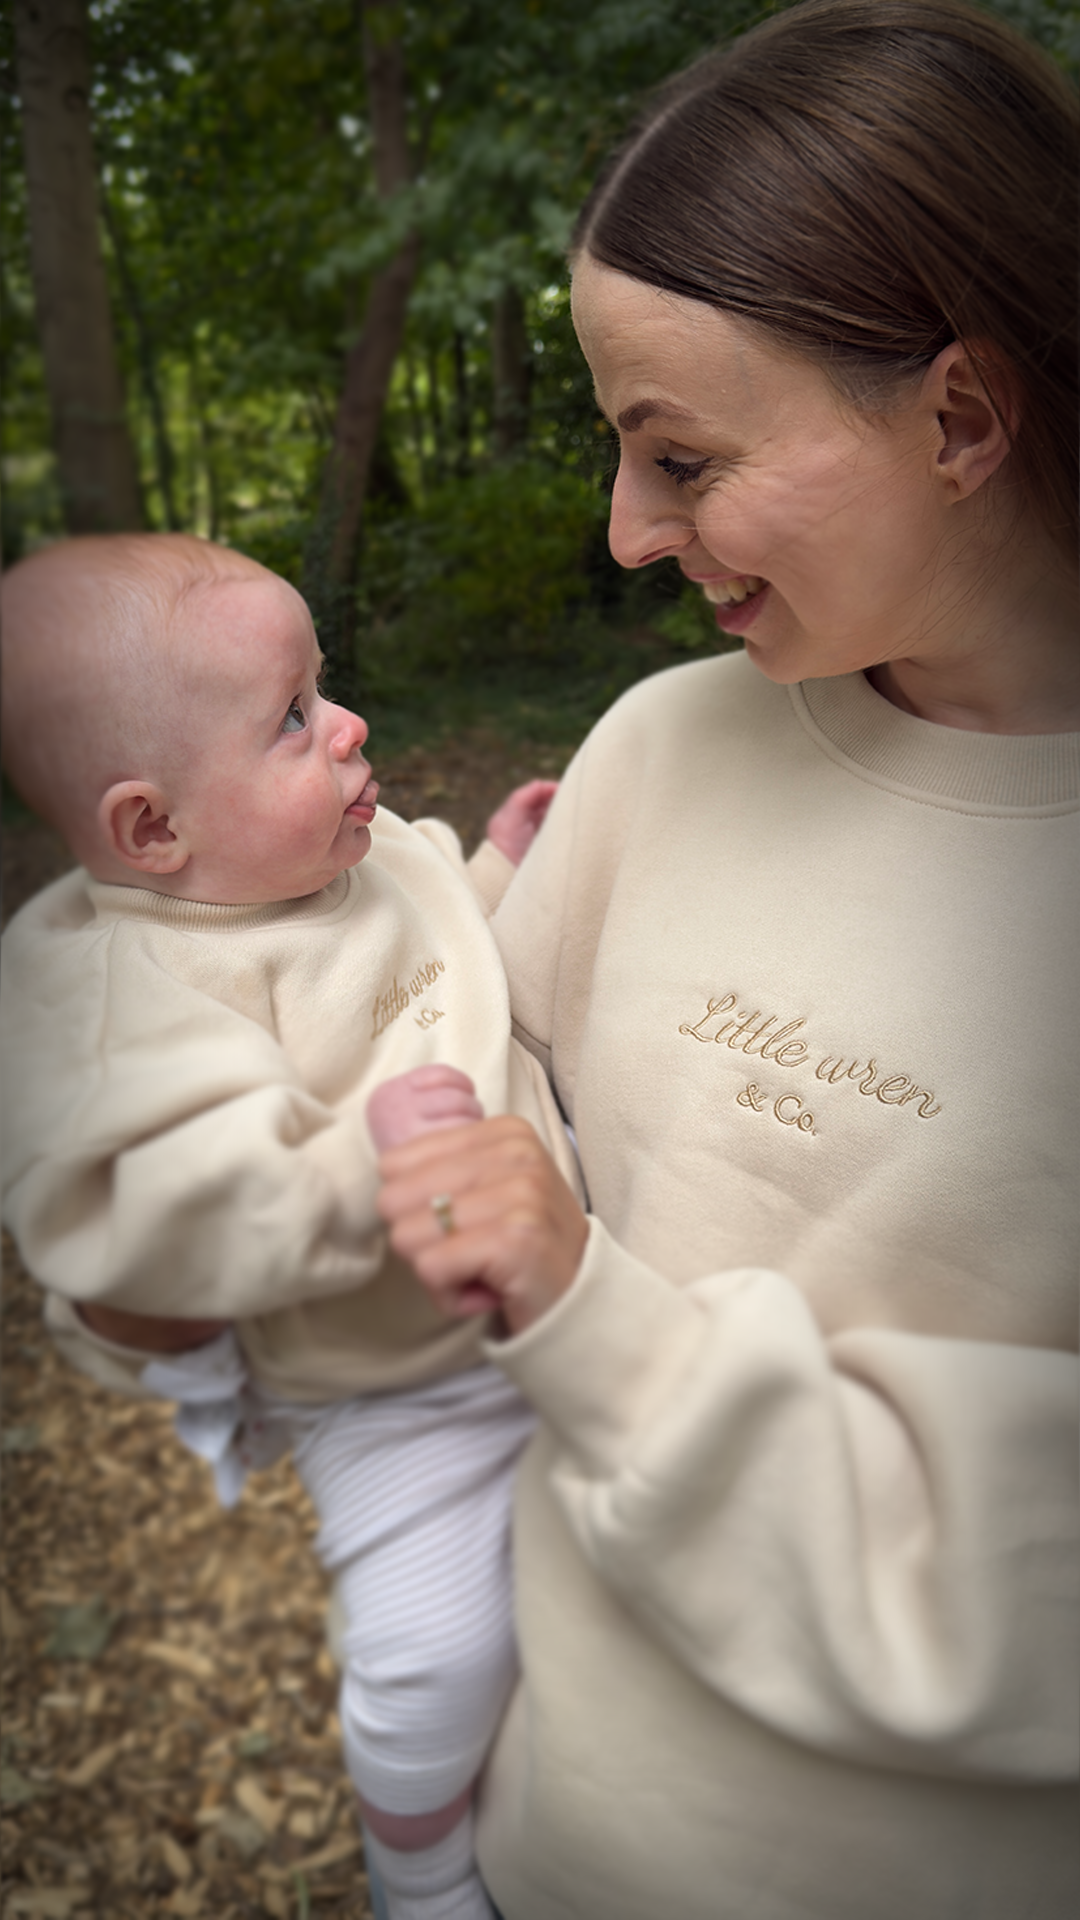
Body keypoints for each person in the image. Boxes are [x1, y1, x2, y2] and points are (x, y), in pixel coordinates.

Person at [372, 4, 1080, 1916]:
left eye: (679, 455)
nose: (624, 534)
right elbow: (420, 1156)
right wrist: (181, 1234)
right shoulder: (662, 752)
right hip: (519, 1852)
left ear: (961, 417)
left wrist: (591, 1321)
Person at [0, 530, 579, 1920]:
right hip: (397, 1397)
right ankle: (419, 1857)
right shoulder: (117, 987)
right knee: (433, 1650)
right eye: (293, 719)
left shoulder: (361, 866)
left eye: (326, 689)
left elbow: (452, 971)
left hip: (579, 1302)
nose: (348, 726)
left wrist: (497, 869)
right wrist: (357, 1173)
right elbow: (164, 1203)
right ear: (153, 829)